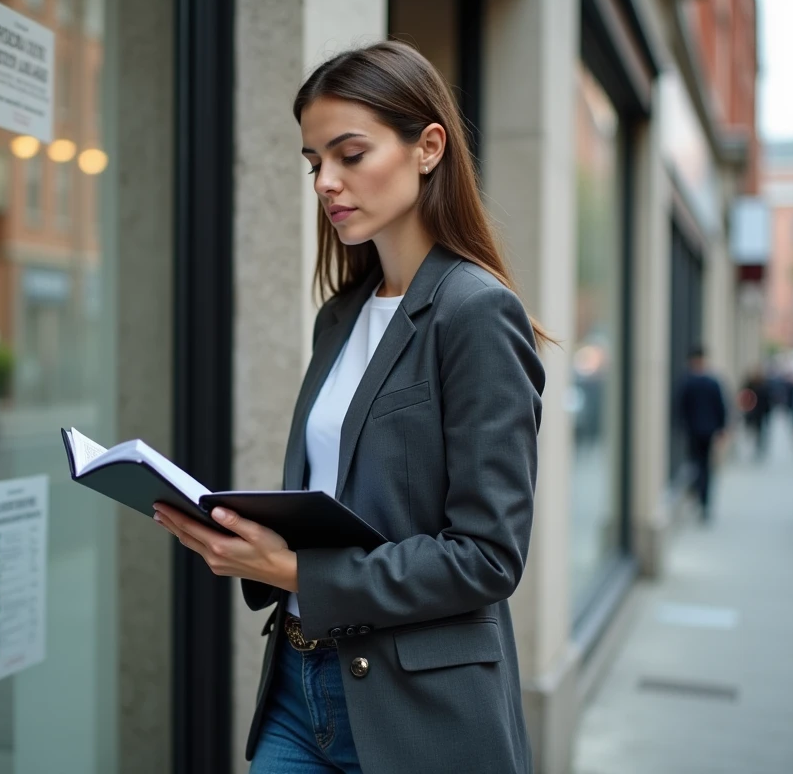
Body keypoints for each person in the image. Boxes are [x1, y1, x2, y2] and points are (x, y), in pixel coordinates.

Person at [153, 42, 546, 773]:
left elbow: (488, 557)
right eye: (313, 163)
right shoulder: (339, 316)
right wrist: (240, 537)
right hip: (300, 689)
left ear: (428, 148)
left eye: (350, 154)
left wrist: (299, 571)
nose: (326, 182)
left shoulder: (476, 313)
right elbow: (340, 497)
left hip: (417, 713)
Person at [676, 346, 727, 521]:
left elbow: (680, 408)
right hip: (705, 430)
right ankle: (703, 499)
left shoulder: (688, 381)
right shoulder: (710, 382)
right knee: (703, 466)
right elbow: (720, 406)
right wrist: (721, 428)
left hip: (696, 430)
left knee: (698, 464)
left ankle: (700, 496)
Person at [740, 366, 771, 459]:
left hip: (760, 412)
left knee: (759, 430)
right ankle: (752, 445)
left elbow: (767, 400)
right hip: (751, 411)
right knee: (751, 429)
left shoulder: (764, 385)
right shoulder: (750, 384)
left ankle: (758, 446)